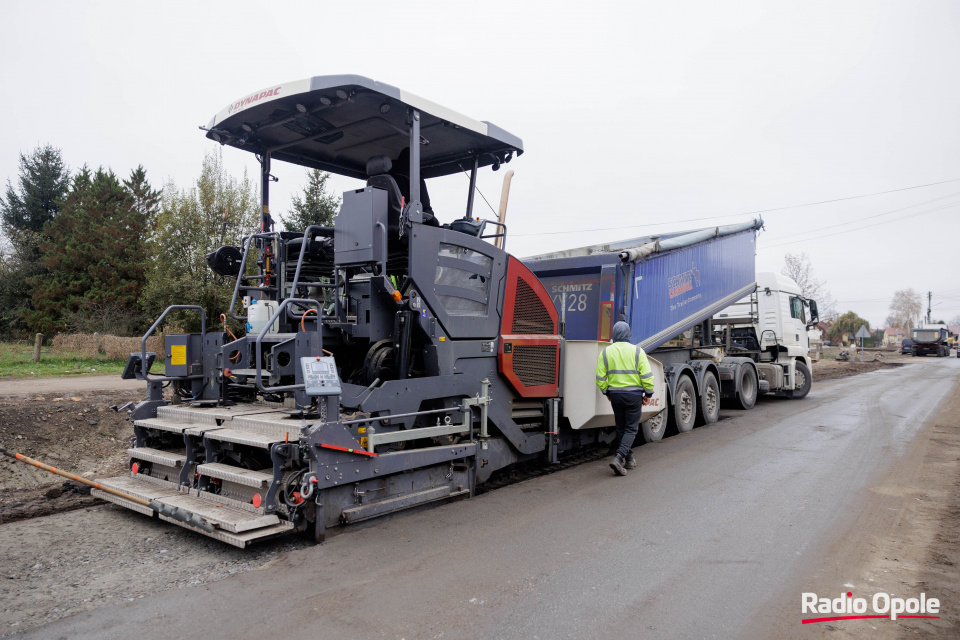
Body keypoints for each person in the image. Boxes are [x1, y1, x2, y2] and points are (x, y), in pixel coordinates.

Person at [596, 321, 655, 476]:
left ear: (614, 335)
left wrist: (606, 393)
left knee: (621, 428)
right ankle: (618, 457)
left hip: (615, 396)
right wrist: (648, 394)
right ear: (628, 334)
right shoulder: (637, 352)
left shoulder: (605, 352)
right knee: (631, 429)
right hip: (633, 396)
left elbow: (600, 378)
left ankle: (629, 459)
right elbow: (647, 377)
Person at [390, 147, 438, 225]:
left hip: (387, 223)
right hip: (409, 223)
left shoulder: (383, 178)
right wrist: (434, 220)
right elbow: (425, 206)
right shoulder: (414, 176)